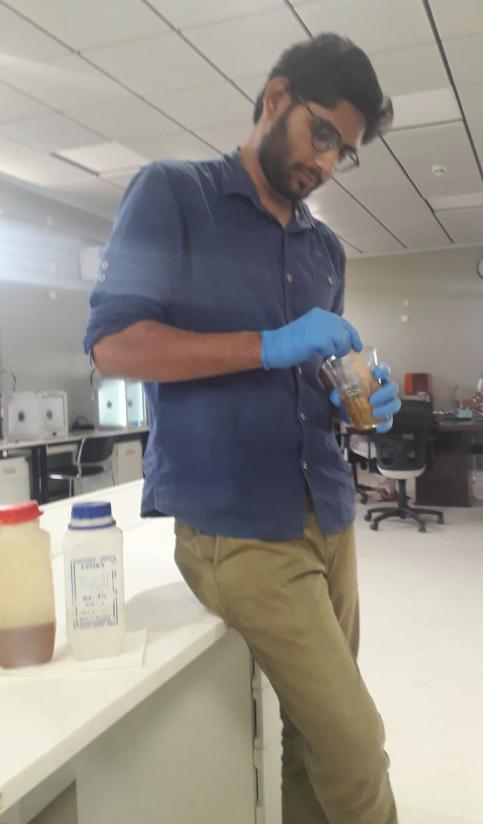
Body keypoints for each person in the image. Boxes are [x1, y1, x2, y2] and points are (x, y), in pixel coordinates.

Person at [84, 32, 401, 824]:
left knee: (313, 740)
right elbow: (113, 346)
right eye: (321, 133)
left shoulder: (324, 249)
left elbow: (310, 377)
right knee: (356, 747)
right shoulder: (173, 194)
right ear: (274, 97)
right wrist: (266, 343)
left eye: (343, 151)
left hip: (328, 514)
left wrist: (354, 396)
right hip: (237, 529)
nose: (326, 161)